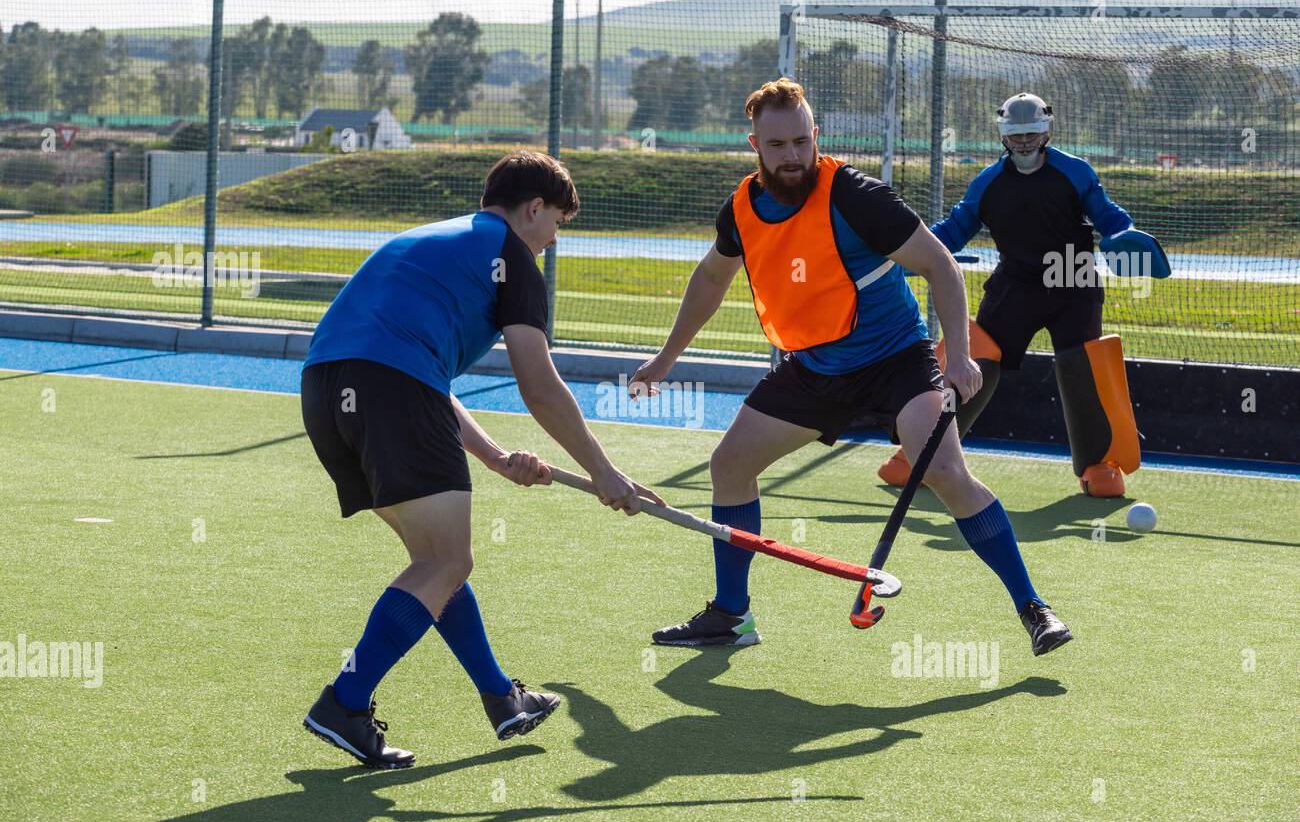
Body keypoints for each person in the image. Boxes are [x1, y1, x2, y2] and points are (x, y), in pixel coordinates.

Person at [629, 79, 1071, 658]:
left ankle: (1032, 608)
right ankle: (731, 616)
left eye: (801, 142)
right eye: (777, 145)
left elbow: (942, 268)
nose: (792, 156)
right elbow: (712, 277)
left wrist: (959, 356)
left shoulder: (856, 196)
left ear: (817, 137)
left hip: (896, 361)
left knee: (942, 470)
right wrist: (666, 359)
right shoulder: (741, 209)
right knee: (730, 463)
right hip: (813, 367)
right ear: (754, 145)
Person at [299, 150, 661, 769]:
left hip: (326, 392)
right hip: (391, 392)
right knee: (445, 561)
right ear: (534, 208)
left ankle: (501, 698)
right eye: (557, 224)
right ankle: (345, 701)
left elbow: (420, 372)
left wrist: (492, 456)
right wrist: (605, 472)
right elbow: (540, 386)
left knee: (435, 563)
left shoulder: (431, 240)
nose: (552, 240)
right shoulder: (512, 258)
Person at [878, 92, 1161, 498]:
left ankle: (1099, 464)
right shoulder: (988, 183)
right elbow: (955, 230)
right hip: (1015, 285)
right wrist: (909, 251)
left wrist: (1123, 235)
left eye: (1031, 133)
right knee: (973, 358)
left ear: (1046, 131)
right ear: (1003, 136)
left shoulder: (1076, 172)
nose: (1024, 142)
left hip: (1074, 281)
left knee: (1084, 369)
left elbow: (1108, 216)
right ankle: (920, 454)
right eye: (1016, 135)